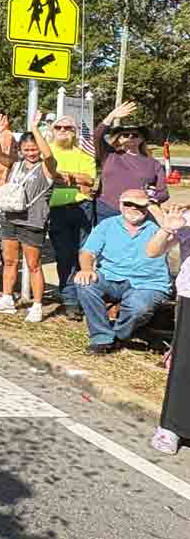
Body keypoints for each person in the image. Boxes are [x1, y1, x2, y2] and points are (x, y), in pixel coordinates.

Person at [74, 188, 173, 355]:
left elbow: (172, 229)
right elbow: (87, 252)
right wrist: (86, 269)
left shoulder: (158, 226)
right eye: (128, 204)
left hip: (148, 283)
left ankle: (120, 335)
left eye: (140, 205)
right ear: (120, 205)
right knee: (84, 282)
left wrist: (155, 209)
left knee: (137, 306)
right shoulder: (107, 224)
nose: (133, 208)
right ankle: (101, 338)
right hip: (112, 276)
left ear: (147, 206)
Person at [0, 113, 57, 322]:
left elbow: (49, 155)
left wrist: (35, 128)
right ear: (21, 150)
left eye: (34, 149)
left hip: (32, 221)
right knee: (9, 260)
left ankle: (37, 305)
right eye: (27, 149)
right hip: (10, 217)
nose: (31, 153)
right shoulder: (15, 164)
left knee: (33, 264)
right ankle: (7, 298)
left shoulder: (46, 167)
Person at [147, 205, 190, 455]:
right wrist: (166, 228)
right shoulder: (185, 217)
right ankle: (170, 428)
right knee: (184, 365)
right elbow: (153, 251)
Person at [46, 115, 97, 320]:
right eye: (59, 126)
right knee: (64, 256)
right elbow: (47, 174)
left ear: (75, 131)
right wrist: (72, 178)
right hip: (58, 206)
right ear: (53, 129)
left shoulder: (84, 151)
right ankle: (70, 301)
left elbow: (90, 180)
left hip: (82, 206)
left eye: (68, 127)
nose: (63, 130)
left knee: (84, 255)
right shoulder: (47, 150)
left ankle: (84, 297)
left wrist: (67, 176)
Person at [93, 101, 168, 225]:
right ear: (119, 138)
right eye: (126, 135)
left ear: (142, 139)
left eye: (135, 135)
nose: (130, 137)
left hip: (137, 211)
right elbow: (97, 136)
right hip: (107, 210)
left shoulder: (153, 164)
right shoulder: (109, 155)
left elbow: (163, 193)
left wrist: (147, 198)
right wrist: (111, 116)